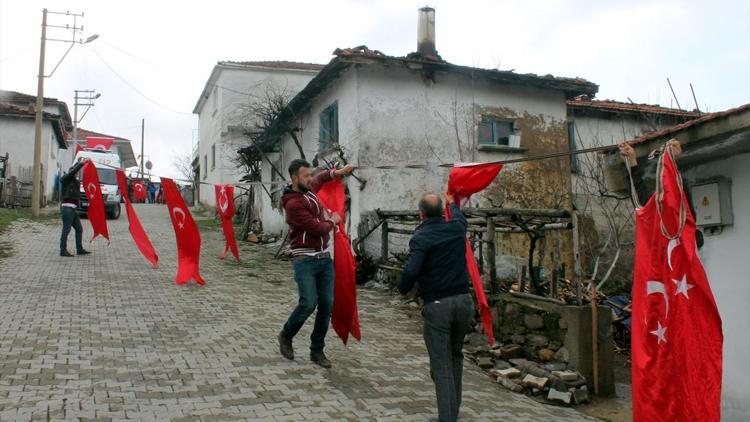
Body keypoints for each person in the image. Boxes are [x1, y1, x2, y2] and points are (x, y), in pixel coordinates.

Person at [398, 192, 475, 422]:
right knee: (455, 358)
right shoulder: (456, 228)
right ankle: (452, 414)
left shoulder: (421, 238)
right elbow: (461, 217)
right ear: (443, 211)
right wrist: (452, 199)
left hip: (438, 306)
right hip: (464, 302)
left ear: (421, 214)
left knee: (441, 366)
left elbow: (411, 270)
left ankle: (447, 419)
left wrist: (402, 288)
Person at [278, 159, 355, 368]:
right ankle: (286, 334)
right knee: (308, 303)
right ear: (295, 178)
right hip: (305, 260)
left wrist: (339, 172)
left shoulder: (307, 189)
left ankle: (317, 350)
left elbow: (321, 179)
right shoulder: (293, 204)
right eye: (306, 176)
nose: (310, 179)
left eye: (310, 175)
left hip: (323, 259)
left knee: (326, 305)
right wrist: (334, 221)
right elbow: (317, 228)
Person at [619, 139, 703, 248]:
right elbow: (643, 204)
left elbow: (642, 205)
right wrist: (631, 162)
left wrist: (631, 163)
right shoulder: (677, 223)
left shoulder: (677, 233)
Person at [59, 159, 91, 257]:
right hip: (67, 209)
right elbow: (72, 172)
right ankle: (63, 250)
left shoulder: (75, 181)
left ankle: (79, 249)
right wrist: (81, 163)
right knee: (66, 230)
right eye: (75, 172)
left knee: (79, 229)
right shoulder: (65, 178)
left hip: (73, 209)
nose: (77, 174)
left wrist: (79, 161)